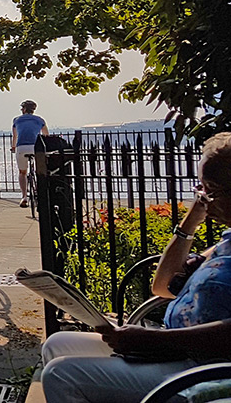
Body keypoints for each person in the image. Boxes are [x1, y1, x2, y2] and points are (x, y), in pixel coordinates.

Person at [41, 132, 231, 403]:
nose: (203, 197)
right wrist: (191, 221)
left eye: (210, 189)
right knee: (57, 345)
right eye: (200, 188)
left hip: (205, 371)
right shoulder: (225, 242)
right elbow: (163, 285)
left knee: (61, 375)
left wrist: (154, 342)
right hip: (175, 351)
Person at [11, 100, 48, 208]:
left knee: (22, 172)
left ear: (24, 109)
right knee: (40, 171)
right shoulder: (40, 120)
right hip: (36, 148)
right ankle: (40, 192)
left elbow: (15, 136)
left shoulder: (16, 120)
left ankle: (24, 197)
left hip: (21, 147)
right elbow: (46, 135)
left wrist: (13, 147)